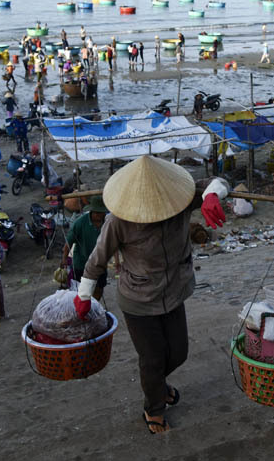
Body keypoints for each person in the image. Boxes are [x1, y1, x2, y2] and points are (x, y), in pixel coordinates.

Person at [74, 156, 229, 434]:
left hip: (174, 291)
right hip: (138, 300)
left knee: (179, 353)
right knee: (153, 359)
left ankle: (156, 384)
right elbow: (97, 260)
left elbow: (216, 182)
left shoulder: (180, 198)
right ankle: (154, 407)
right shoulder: (118, 221)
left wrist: (212, 195)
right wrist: (83, 295)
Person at [61, 196, 108, 298]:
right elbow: (68, 242)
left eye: (102, 212)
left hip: (100, 263)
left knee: (99, 289)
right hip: (82, 263)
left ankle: (95, 308)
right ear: (92, 211)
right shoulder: (80, 223)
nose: (100, 215)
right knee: (83, 293)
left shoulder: (107, 222)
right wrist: (64, 258)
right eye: (97, 213)